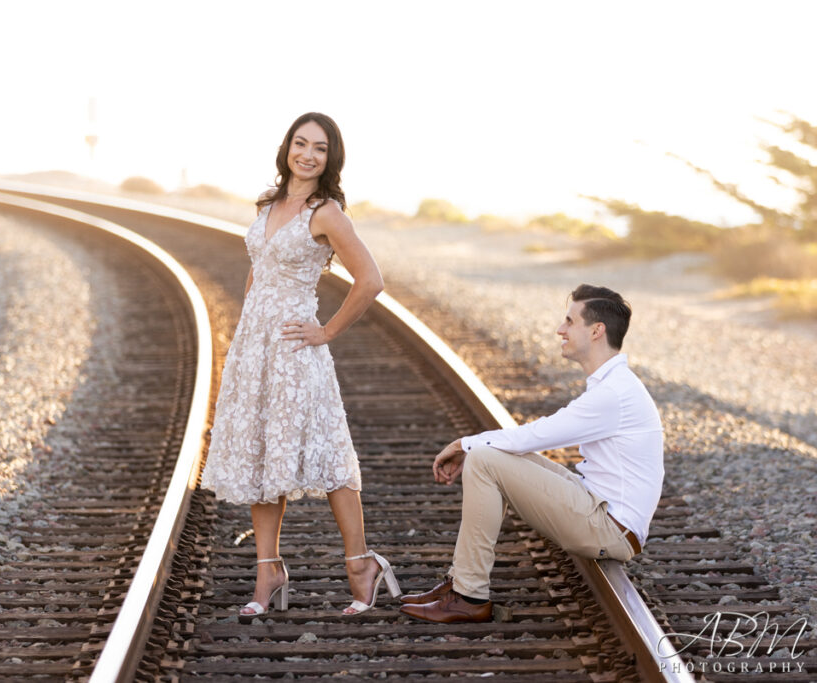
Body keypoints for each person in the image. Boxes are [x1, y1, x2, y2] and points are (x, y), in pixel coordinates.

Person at [200, 112, 400, 617]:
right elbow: (257, 272)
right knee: (264, 455)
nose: (307, 154)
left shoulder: (326, 212)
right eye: (300, 143)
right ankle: (268, 571)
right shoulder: (269, 203)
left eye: (319, 148)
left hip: (295, 347)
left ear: (331, 159)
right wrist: (244, 337)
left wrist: (326, 331)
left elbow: (370, 280)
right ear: (287, 147)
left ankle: (361, 564)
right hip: (256, 347)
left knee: (329, 453)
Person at [400, 284, 663, 623]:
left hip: (609, 528)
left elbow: (539, 435)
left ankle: (468, 594)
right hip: (601, 509)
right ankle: (460, 582)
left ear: (597, 331)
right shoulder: (615, 385)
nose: (560, 330)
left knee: (483, 459)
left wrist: (463, 444)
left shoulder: (614, 393)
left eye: (570, 321)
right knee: (495, 456)